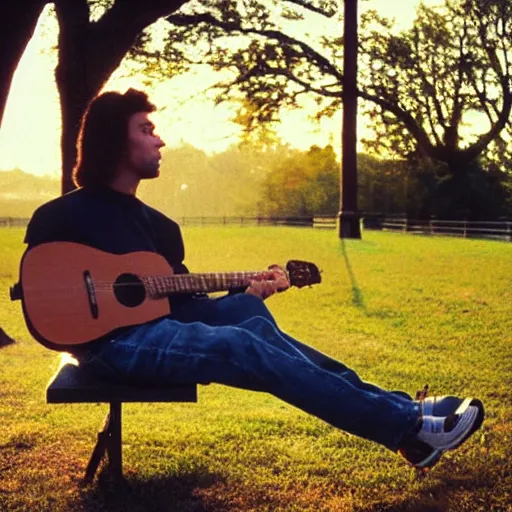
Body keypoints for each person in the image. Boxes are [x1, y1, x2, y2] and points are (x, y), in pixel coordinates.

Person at [22, 88, 484, 471]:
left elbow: (184, 305)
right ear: (112, 142)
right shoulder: (65, 214)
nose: (159, 141)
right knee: (240, 345)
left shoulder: (160, 228)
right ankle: (408, 427)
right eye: (146, 130)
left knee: (250, 317)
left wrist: (246, 291)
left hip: (157, 331)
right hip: (109, 347)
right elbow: (40, 279)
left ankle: (407, 414)